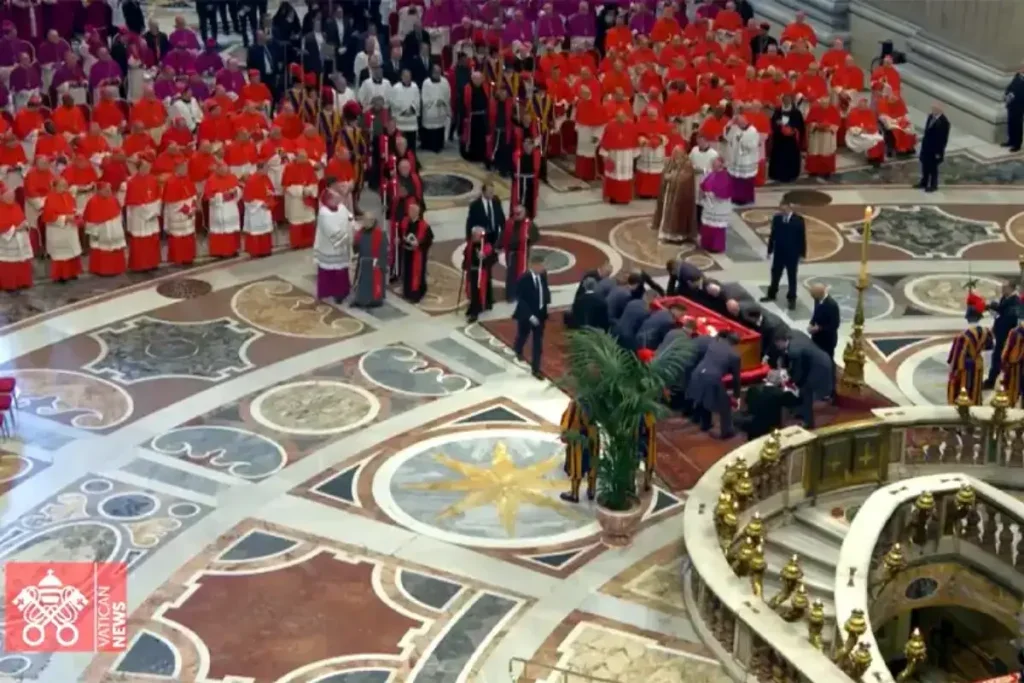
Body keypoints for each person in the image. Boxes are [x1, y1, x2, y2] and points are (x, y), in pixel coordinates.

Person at [685, 333, 741, 439]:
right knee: (725, 404)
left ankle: (703, 423)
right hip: (712, 378)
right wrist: (736, 395)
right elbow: (736, 378)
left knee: (701, 397)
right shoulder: (735, 355)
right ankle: (726, 431)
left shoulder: (713, 344)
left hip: (698, 372)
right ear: (736, 344)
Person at [776, 330, 835, 428]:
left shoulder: (794, 351)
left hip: (818, 368)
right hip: (822, 359)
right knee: (804, 390)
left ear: (780, 341)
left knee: (807, 392)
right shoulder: (794, 337)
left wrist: (792, 381)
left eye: (777, 345)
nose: (777, 347)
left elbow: (799, 372)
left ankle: (808, 422)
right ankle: (802, 414)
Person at [512, 253, 552, 379]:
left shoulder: (543, 275)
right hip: (527, 315)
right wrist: (530, 316)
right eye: (541, 265)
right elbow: (521, 300)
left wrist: (546, 305)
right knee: (523, 335)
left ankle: (536, 369)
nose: (543, 268)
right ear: (534, 265)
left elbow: (544, 290)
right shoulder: (524, 279)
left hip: (540, 314)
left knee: (537, 342)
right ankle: (518, 348)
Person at [760, 203, 806, 311]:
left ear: (789, 207)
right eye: (781, 207)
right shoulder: (777, 219)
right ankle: (771, 294)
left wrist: (802, 254)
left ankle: (792, 299)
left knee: (792, 277)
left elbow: (802, 237)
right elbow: (773, 235)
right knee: (775, 274)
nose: (782, 209)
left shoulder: (798, 220)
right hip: (779, 253)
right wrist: (770, 250)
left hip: (792, 254)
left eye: (784, 207)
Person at [314, 184, 355, 302]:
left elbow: (350, 217)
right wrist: (348, 235)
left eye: (339, 199)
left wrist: (352, 224)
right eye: (336, 199)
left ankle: (341, 292)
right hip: (329, 247)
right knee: (329, 270)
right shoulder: (324, 213)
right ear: (328, 200)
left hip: (341, 247)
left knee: (341, 270)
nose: (339, 201)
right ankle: (328, 291)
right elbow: (331, 231)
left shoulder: (341, 207)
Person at [652, 148, 698, 244]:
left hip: (680, 196)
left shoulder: (687, 164)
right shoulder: (671, 161)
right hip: (669, 192)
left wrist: (672, 177)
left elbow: (684, 178)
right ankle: (666, 232)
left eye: (677, 154)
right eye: (674, 154)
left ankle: (677, 236)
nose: (675, 157)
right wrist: (667, 175)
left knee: (677, 216)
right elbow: (666, 171)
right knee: (666, 212)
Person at [559, 398, 600, 503]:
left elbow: (568, 421)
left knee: (576, 466)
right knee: (592, 463)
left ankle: (574, 494)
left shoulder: (576, 402)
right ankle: (591, 490)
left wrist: (564, 434)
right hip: (593, 435)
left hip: (579, 437)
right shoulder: (596, 398)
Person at [83, 182, 127, 277]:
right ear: (99, 191)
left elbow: (118, 212)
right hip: (101, 231)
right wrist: (95, 231)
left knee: (115, 248)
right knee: (101, 249)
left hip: (114, 230)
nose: (108, 191)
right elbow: (90, 220)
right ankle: (102, 270)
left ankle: (117, 268)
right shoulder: (93, 202)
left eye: (109, 190)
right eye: (106, 190)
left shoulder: (113, 199)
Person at [43, 179, 82, 283]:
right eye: (61, 186)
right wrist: (65, 218)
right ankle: (60, 275)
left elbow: (72, 208)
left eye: (65, 185)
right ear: (54, 187)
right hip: (57, 230)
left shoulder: (68, 196)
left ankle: (72, 273)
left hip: (70, 229)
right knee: (61, 254)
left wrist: (75, 214)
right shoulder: (50, 198)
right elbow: (49, 216)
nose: (64, 188)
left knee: (72, 251)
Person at [501, 204, 540, 301]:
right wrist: (497, 247)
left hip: (523, 254)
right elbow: (503, 236)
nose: (516, 215)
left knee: (522, 274)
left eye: (519, 213)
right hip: (512, 253)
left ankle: (521, 293)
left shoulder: (529, 225)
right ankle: (511, 295)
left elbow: (536, 237)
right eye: (515, 213)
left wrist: (529, 238)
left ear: (524, 213)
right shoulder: (509, 224)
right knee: (511, 275)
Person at [985, 282, 1020, 389]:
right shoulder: (1005, 298)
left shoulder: (1015, 301)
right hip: (1000, 333)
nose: (1002, 289)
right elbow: (1000, 313)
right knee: (997, 357)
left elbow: (1009, 319)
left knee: (1001, 358)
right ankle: (992, 380)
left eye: (1004, 288)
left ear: (1011, 288)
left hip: (1007, 335)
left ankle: (997, 381)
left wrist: (996, 308)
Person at [162, 163, 198, 265]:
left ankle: (188, 257)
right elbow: (173, 204)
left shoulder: (188, 178)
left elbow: (193, 195)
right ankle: (178, 258)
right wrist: (188, 210)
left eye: (186, 167)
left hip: (188, 213)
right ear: (177, 168)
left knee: (189, 235)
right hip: (177, 215)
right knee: (178, 237)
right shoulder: (171, 182)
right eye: (183, 168)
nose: (186, 170)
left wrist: (193, 207)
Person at [282, 150, 319, 249]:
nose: (305, 160)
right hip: (295, 199)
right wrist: (302, 191)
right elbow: (287, 186)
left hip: (308, 196)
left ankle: (308, 241)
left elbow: (314, 181)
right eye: (303, 158)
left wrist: (310, 190)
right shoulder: (289, 167)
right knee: (297, 220)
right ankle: (297, 243)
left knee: (308, 218)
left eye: (306, 158)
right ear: (297, 157)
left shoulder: (308, 166)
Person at [398, 201, 433, 303]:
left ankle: (416, 294)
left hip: (418, 254)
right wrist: (400, 239)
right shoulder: (405, 222)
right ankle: (407, 292)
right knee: (407, 272)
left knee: (417, 274)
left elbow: (429, 240)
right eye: (409, 210)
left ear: (417, 212)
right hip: (407, 252)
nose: (410, 212)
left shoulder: (424, 226)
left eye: (412, 211)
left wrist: (419, 244)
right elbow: (401, 233)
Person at [808, 283, 841, 391]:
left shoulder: (832, 305)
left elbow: (835, 325)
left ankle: (831, 388)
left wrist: (819, 328)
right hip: (817, 337)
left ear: (820, 294)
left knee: (828, 362)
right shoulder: (817, 300)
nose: (812, 297)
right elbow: (816, 314)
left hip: (828, 340)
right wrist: (811, 324)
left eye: (813, 295)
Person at [205, 163, 242, 258]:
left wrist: (235, 191)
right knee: (221, 230)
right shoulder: (211, 180)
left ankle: (233, 249)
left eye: (226, 170)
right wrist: (223, 196)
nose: (224, 173)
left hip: (231, 208)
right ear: (217, 170)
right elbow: (209, 197)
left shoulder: (232, 177)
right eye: (222, 170)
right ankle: (221, 251)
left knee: (232, 228)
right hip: (219, 209)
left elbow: (238, 189)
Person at [352, 214, 388, 308]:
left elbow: (384, 251)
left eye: (366, 220)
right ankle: (361, 299)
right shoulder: (360, 233)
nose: (364, 222)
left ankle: (375, 301)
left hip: (375, 265)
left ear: (372, 221)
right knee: (363, 283)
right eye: (364, 220)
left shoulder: (380, 234)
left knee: (374, 285)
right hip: (362, 263)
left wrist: (379, 263)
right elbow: (356, 248)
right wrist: (354, 244)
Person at [0, 185, 32, 291]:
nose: (11, 198)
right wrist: (16, 229)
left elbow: (22, 218)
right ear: (2, 197)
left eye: (12, 196)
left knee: (22, 261)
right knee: (9, 265)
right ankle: (9, 285)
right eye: (8, 196)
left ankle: (22, 282)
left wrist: (25, 224)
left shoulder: (16, 206)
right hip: (7, 241)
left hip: (20, 238)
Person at [463, 226, 497, 322]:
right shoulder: (470, 244)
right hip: (472, 271)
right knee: (471, 291)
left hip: (482, 273)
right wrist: (464, 264)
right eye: (473, 235)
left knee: (477, 292)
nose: (473, 237)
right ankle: (473, 306)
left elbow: (494, 259)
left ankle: (475, 312)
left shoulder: (486, 246)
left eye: (475, 235)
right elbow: (466, 255)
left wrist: (485, 257)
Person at [698, 158, 731, 253]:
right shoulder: (711, 174)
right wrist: (703, 191)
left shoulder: (725, 176)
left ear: (720, 165)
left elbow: (725, 192)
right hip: (709, 206)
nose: (712, 166)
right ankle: (706, 244)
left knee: (717, 228)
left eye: (714, 164)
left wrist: (712, 194)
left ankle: (716, 247)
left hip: (719, 207)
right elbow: (704, 185)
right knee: (708, 226)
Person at [768, 95, 804, 183]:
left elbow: (800, 125)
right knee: (779, 157)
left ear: (791, 100)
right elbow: (773, 123)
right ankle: (777, 175)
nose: (786, 101)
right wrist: (779, 126)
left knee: (791, 157)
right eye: (785, 99)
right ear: (782, 100)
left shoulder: (796, 112)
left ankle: (792, 175)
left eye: (788, 99)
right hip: (779, 139)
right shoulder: (777, 111)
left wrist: (792, 129)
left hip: (791, 139)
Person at [725, 114, 759, 205]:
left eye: (740, 122)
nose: (739, 124)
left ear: (745, 121)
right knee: (736, 180)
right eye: (737, 122)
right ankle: (736, 198)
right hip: (736, 159)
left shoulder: (752, 131)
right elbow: (727, 137)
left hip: (747, 160)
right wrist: (729, 125)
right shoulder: (735, 128)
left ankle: (746, 199)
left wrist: (742, 141)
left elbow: (754, 145)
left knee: (746, 181)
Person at [805, 96, 841, 178]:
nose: (824, 104)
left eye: (826, 103)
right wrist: (816, 126)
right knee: (814, 152)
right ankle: (813, 170)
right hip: (816, 135)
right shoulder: (814, 109)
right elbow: (809, 121)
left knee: (826, 153)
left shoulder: (833, 110)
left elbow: (837, 123)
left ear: (829, 102)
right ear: (820, 102)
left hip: (827, 136)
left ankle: (826, 171)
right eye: (823, 103)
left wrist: (828, 128)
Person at [917, 104, 950, 193]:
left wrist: (939, 152)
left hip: (935, 150)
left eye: (935, 109)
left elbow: (943, 139)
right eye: (933, 109)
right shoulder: (930, 117)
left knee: (933, 168)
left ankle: (933, 185)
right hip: (926, 147)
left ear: (940, 110)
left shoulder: (944, 122)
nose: (933, 110)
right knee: (925, 166)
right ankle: (924, 182)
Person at [420, 64, 450, 152]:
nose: (437, 73)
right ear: (432, 72)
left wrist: (443, 101)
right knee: (429, 129)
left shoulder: (444, 81)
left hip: (441, 111)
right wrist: (434, 102)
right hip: (430, 112)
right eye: (435, 71)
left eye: (439, 71)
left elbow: (448, 94)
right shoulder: (426, 82)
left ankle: (439, 145)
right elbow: (424, 96)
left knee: (440, 128)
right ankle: (428, 145)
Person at [845, 99, 885, 165]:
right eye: (861, 105)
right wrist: (859, 130)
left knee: (880, 139)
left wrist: (868, 129)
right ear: (858, 105)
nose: (863, 107)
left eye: (864, 105)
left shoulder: (870, 112)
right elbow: (850, 127)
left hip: (870, 131)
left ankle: (878, 157)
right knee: (871, 140)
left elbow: (874, 125)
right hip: (857, 134)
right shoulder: (853, 113)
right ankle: (871, 158)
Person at [465, 181, 505, 245]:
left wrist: (504, 233)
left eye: (492, 191)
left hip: (495, 235)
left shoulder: (496, 202)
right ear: (483, 192)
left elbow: (501, 218)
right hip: (481, 237)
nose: (492, 193)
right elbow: (470, 223)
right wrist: (469, 238)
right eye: (489, 191)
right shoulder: (475, 205)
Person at [511, 137, 542, 219]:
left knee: (530, 200)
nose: (527, 146)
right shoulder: (518, 155)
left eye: (529, 144)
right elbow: (513, 169)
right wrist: (515, 175)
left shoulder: (536, 155)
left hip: (531, 182)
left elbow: (539, 170)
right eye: (525, 144)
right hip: (521, 183)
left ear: (532, 145)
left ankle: (529, 217)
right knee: (520, 200)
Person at [1000, 314, 1024, 406]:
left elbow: (1007, 350)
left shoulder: (1015, 332)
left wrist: (1003, 365)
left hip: (1015, 366)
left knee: (1013, 391)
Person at [1004, 62, 1024, 152]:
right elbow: (1011, 86)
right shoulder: (1018, 76)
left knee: (1017, 124)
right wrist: (1008, 94)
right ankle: (1010, 140)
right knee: (1010, 123)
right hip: (1012, 103)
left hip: (1020, 105)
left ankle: (1017, 144)